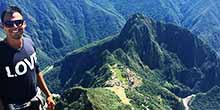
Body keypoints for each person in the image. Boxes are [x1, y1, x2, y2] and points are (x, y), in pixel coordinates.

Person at [0, 6, 55, 110]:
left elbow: (36, 70)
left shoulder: (29, 43)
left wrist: (48, 95)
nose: (15, 26)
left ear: (24, 24)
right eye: (9, 24)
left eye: (18, 22)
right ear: (2, 26)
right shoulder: (1, 53)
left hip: (36, 102)